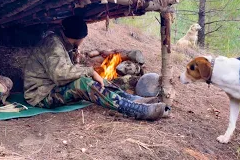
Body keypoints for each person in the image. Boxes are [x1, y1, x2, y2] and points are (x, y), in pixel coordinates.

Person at [23, 15, 171, 120]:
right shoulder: (53, 45)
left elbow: (65, 70)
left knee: (95, 78)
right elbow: (60, 74)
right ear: (78, 38)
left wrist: (87, 70)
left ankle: (133, 99)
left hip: (51, 88)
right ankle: (137, 110)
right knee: (84, 83)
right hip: (40, 96)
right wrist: (89, 71)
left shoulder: (61, 43)